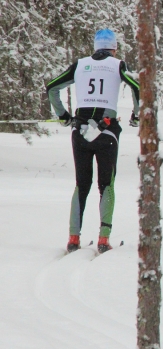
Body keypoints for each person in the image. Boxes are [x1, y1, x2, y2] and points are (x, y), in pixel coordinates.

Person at [45, 29, 140, 253]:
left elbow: (52, 88)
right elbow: (136, 87)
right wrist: (136, 115)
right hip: (107, 132)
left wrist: (63, 116)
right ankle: (104, 239)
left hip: (81, 131)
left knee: (82, 185)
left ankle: (73, 238)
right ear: (114, 48)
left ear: (96, 47)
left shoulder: (80, 64)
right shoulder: (118, 65)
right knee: (106, 184)